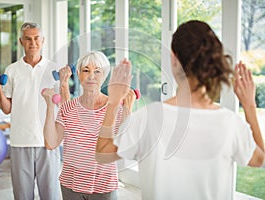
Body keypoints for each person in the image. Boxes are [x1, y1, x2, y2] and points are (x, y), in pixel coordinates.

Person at [95, 20, 265, 200]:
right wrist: (249, 105)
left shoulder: (149, 118)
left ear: (174, 59)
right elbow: (260, 159)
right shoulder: (230, 123)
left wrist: (113, 102)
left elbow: (102, 154)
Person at [0, 22, 71, 200]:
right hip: (20, 142)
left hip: (48, 142)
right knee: (22, 196)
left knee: (51, 195)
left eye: (36, 38)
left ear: (43, 40)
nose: (33, 43)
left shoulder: (55, 70)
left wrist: (63, 83)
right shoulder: (12, 70)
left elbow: (65, 107)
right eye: (28, 39)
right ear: (21, 41)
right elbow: (7, 108)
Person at [41, 51, 135, 200]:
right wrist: (50, 107)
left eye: (97, 71)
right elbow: (51, 143)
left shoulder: (115, 107)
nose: (91, 76)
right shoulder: (68, 108)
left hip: (104, 186)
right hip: (71, 185)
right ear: (78, 74)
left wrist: (128, 109)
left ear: (104, 75)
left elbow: (126, 146)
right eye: (86, 70)